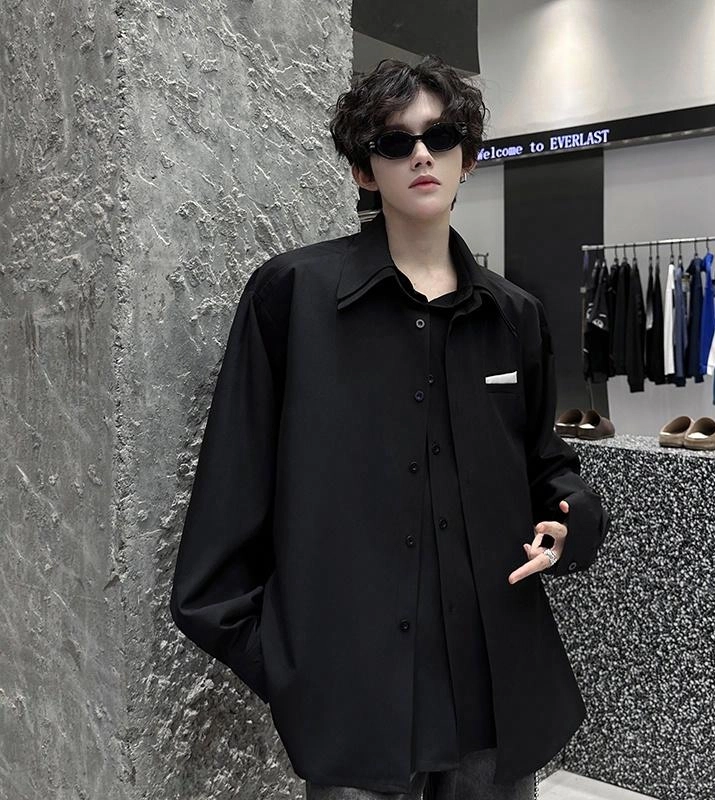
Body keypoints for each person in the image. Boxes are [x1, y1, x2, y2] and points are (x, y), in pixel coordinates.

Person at [169, 55, 610, 800]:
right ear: (363, 170)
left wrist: (575, 520)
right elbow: (230, 493)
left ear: (468, 157)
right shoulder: (293, 297)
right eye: (395, 142)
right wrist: (291, 664)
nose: (421, 155)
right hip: (356, 697)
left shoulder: (514, 315)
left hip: (493, 686)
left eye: (440, 136)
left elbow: (545, 461)